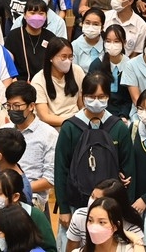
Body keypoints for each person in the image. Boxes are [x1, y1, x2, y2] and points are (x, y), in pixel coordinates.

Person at [53, 72, 134, 230]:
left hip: (111, 207)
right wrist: (63, 208)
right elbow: (60, 169)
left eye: (101, 96)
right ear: (82, 96)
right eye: (91, 96)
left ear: (108, 96)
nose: (96, 101)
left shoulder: (118, 127)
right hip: (76, 204)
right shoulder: (70, 127)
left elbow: (129, 170)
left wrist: (126, 207)